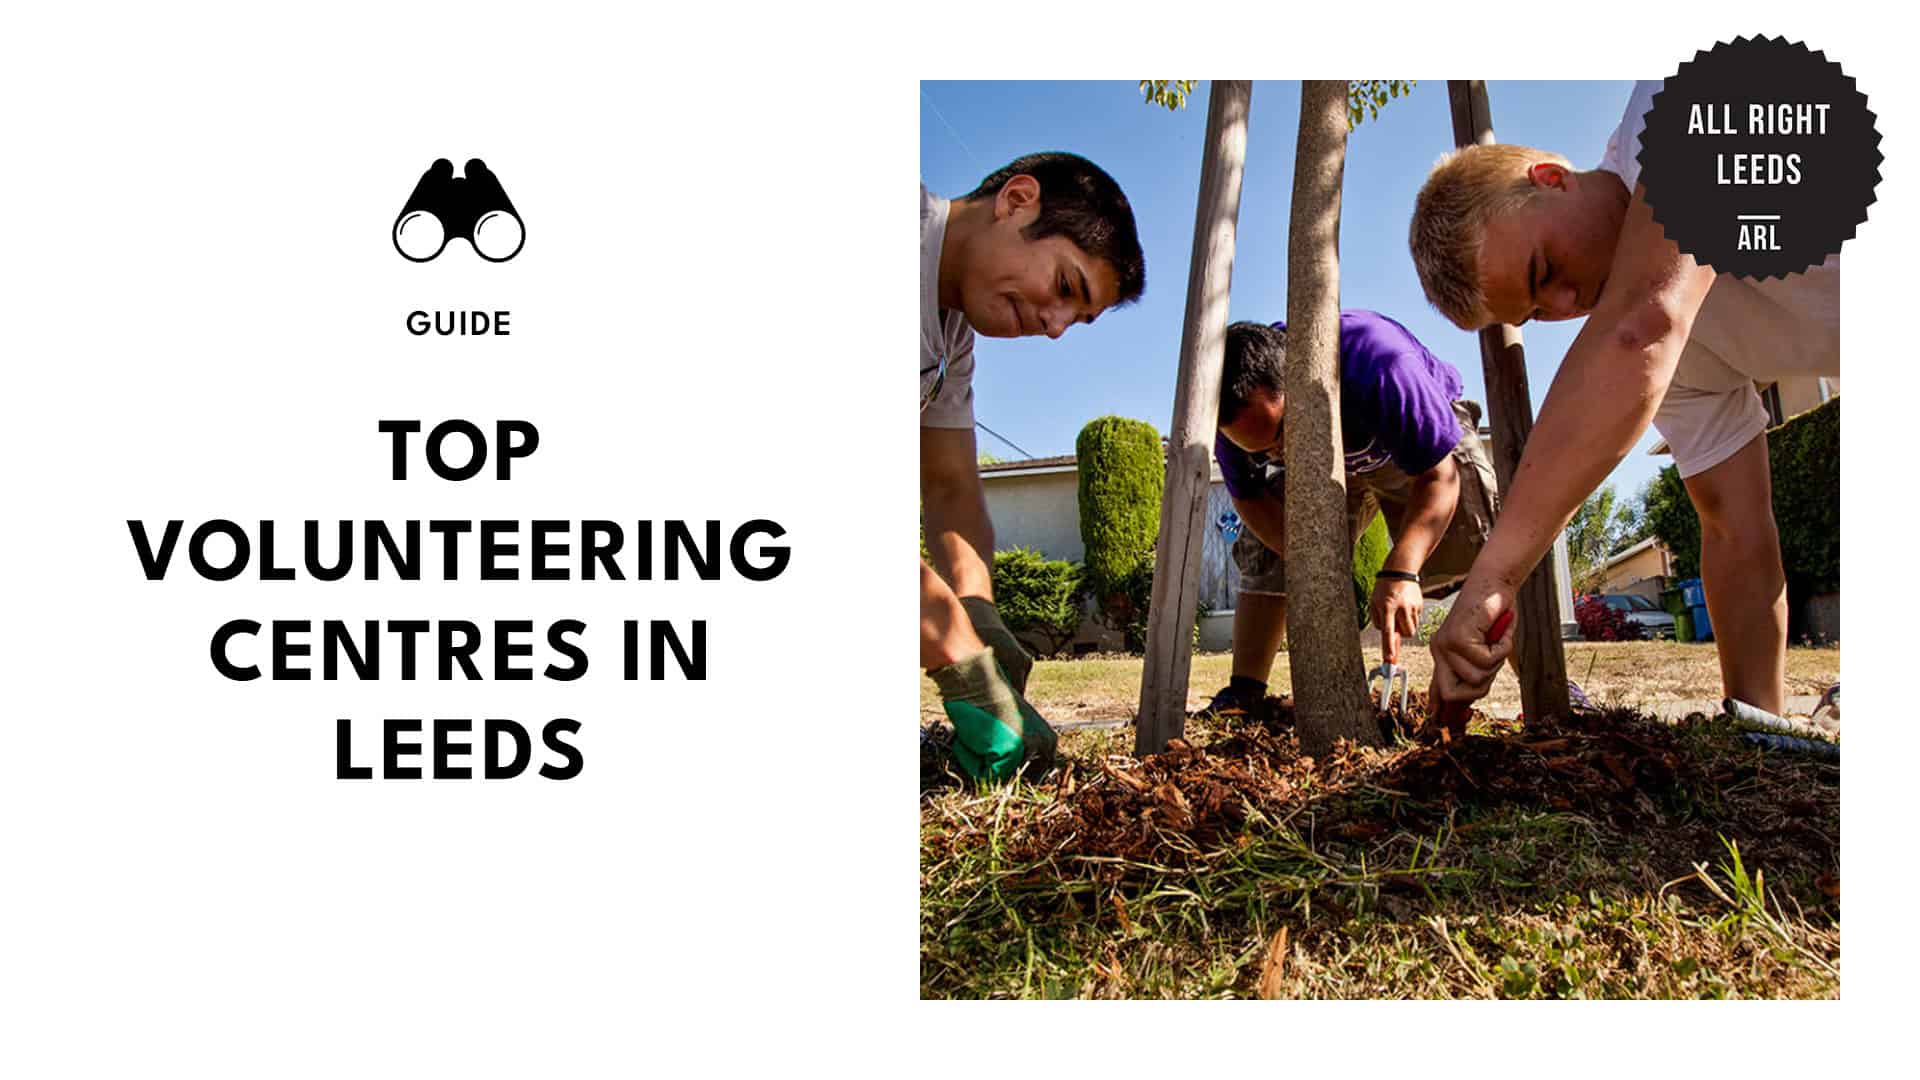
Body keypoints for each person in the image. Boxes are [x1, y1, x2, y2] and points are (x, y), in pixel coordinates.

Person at [1408, 80, 1837, 717]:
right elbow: (1735, 528)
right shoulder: (1674, 359)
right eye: (1535, 312)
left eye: (1543, 271)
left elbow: (1642, 324)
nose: (1564, 307)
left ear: (1551, 177)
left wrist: (1494, 576)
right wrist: (1760, 733)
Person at [922, 152, 1146, 781]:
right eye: (1066, 288)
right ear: (1017, 200)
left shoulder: (950, 337)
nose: (1054, 327)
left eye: (1077, 319)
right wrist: (959, 658)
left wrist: (978, 614)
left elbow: (951, 487)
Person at [1198, 314, 1501, 722]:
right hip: (1330, 468)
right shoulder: (1233, 417)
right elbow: (1250, 497)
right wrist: (1308, 559)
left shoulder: (1380, 362)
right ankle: (1245, 692)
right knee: (1267, 552)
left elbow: (1440, 476)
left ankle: (1544, 681)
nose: (1279, 454)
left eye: (1284, 434)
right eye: (1263, 451)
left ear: (1300, 382)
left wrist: (1402, 572)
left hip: (1418, 451)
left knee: (1486, 556)